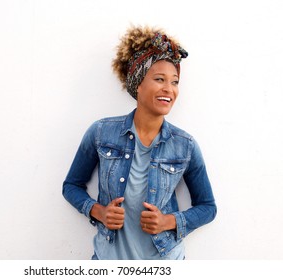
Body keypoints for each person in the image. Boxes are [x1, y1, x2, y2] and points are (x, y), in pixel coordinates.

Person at [62, 25, 216, 260]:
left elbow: (208, 207)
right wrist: (99, 212)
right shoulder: (101, 132)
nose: (169, 89)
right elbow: (71, 185)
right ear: (138, 83)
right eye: (159, 79)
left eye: (174, 82)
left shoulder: (185, 145)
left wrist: (169, 221)